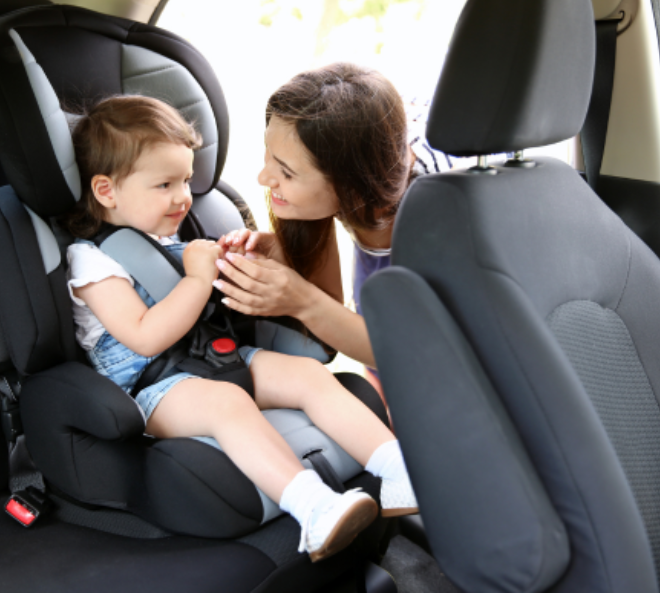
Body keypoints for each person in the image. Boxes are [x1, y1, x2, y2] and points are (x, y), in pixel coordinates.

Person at [60, 95, 418, 563]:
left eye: (186, 179)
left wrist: (236, 262)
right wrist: (196, 277)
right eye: (165, 184)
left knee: (306, 376)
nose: (183, 196)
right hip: (154, 389)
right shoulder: (91, 261)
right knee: (228, 402)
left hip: (214, 358)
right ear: (107, 191)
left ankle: (398, 469)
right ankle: (312, 509)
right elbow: (145, 336)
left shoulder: (169, 236)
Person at [214, 63, 448, 397]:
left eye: (286, 172)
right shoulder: (349, 161)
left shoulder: (438, 219)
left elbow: (414, 354)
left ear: (350, 186)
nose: (263, 179)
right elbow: (335, 312)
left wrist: (301, 300)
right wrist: (289, 258)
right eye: (269, 153)